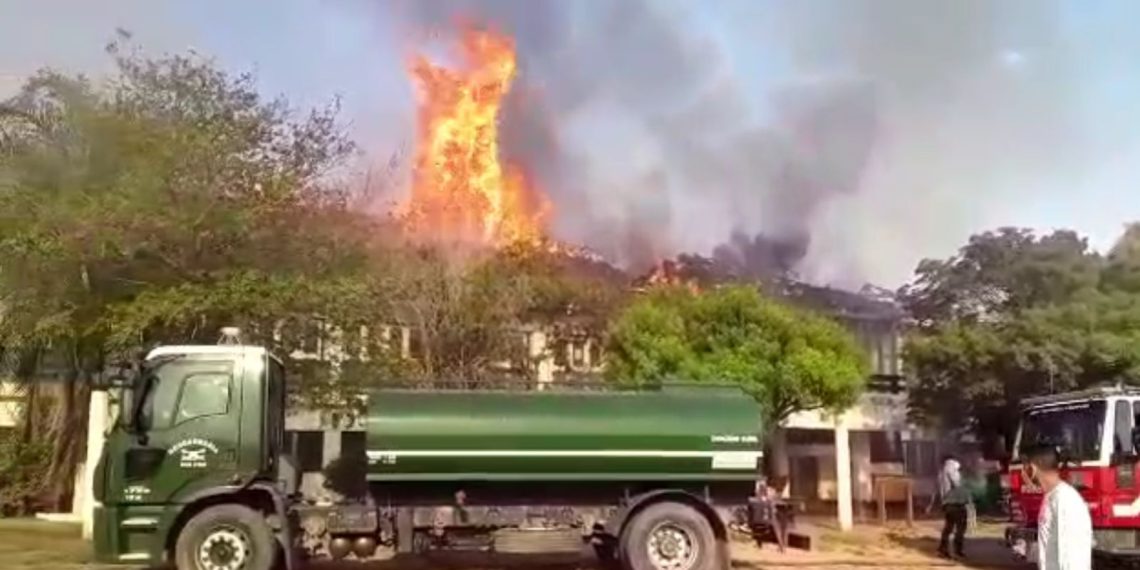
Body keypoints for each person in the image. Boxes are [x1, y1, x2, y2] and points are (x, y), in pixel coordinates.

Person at [1022, 444, 1093, 570]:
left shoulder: (1065, 501)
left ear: (1032, 470)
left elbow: (1071, 557)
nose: (1022, 474)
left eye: (1024, 468)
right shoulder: (1051, 497)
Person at [938, 454, 970, 559]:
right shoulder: (952, 468)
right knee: (960, 527)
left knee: (948, 528)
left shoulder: (941, 471)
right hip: (956, 502)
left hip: (947, 503)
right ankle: (958, 550)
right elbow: (957, 484)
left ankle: (943, 550)